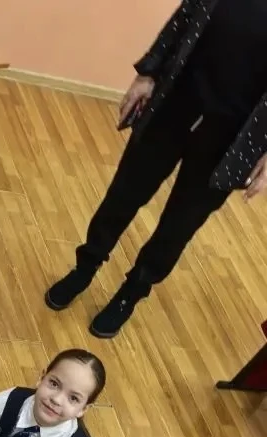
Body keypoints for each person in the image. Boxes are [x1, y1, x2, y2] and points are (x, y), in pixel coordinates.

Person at [45, 0, 267, 338]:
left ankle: (132, 292)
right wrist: (147, 73)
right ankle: (85, 266)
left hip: (232, 140)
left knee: (178, 226)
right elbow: (183, 19)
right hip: (173, 105)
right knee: (123, 195)